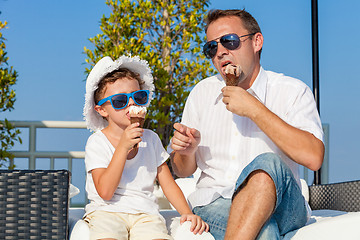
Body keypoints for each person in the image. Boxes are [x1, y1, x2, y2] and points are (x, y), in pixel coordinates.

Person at [169, 9, 325, 240]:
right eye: (211, 47)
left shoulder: (292, 91)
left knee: (266, 163)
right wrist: (186, 152)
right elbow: (182, 170)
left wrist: (255, 109)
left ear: (256, 42)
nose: (220, 52)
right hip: (214, 203)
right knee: (264, 231)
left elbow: (314, 157)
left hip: (284, 204)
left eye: (229, 42)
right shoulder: (202, 93)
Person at [83, 55, 209, 240]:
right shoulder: (97, 142)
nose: (131, 103)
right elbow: (106, 192)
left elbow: (167, 183)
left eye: (138, 97)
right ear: (102, 110)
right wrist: (123, 148)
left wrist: (186, 212)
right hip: (106, 212)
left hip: (145, 214)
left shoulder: (151, 139)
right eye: (120, 101)